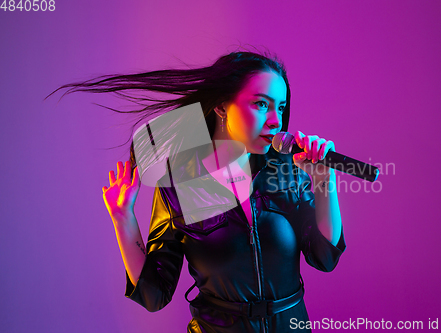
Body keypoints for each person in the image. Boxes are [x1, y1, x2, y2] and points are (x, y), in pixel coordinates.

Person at [50, 50, 346, 332]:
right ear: (220, 105)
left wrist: (324, 182)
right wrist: (123, 217)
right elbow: (155, 294)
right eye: (260, 104)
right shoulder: (181, 184)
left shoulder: (284, 169)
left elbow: (324, 257)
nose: (275, 121)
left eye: (280, 107)